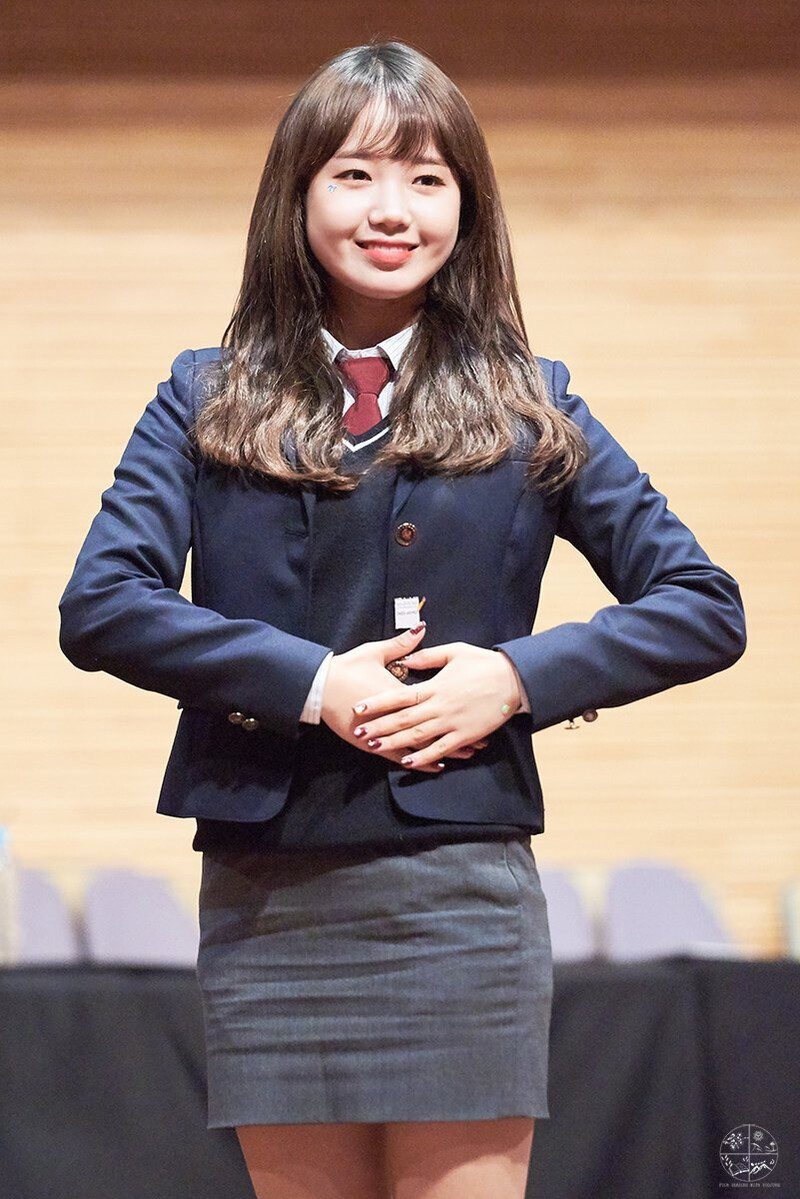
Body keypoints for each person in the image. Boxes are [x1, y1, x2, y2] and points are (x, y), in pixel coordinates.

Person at [58, 40, 746, 1199]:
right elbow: (104, 604)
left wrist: (517, 678)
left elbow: (699, 605)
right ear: (297, 196)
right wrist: (312, 683)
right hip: (270, 894)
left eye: (427, 179)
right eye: (356, 174)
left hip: (459, 896)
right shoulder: (201, 395)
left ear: (465, 212)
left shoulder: (535, 400)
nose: (393, 209)